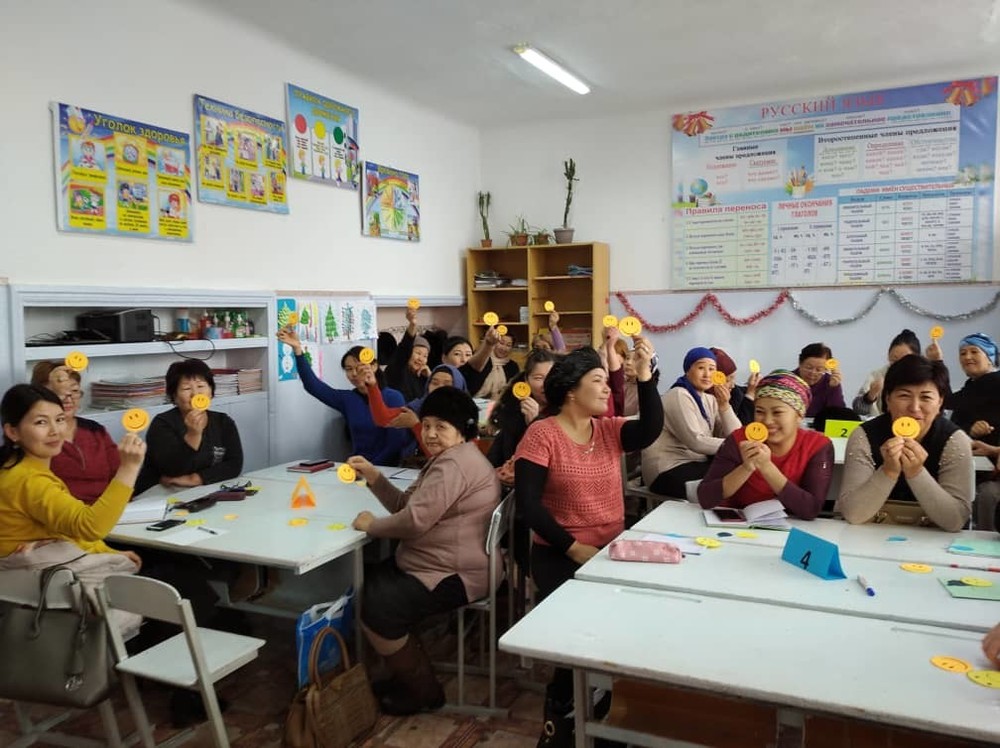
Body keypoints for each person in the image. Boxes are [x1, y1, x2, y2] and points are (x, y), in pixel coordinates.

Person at [514, 342, 662, 747]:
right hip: (558, 553)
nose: (607, 388)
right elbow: (529, 506)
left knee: (630, 630)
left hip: (608, 552)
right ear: (570, 391)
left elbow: (650, 429)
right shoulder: (542, 434)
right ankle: (562, 717)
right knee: (582, 638)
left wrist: (645, 377)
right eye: (597, 380)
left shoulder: (608, 430)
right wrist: (573, 547)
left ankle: (608, 716)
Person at [347, 387, 500, 715]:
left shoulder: (453, 466)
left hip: (455, 574)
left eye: (441, 427)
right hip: (451, 564)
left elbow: (414, 521)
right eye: (427, 425)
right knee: (373, 579)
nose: (430, 434)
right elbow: (408, 506)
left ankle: (423, 692)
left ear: (463, 430)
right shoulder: (454, 458)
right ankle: (402, 670)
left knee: (377, 607)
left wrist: (372, 526)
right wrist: (374, 477)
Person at [0, 384, 144, 561]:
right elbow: (90, 527)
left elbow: (69, 533)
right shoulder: (28, 479)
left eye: (60, 419)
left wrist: (110, 553)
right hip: (32, 574)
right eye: (41, 422)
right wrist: (129, 468)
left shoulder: (19, 467)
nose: (55, 431)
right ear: (12, 432)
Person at [837, 355, 973, 531]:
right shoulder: (864, 436)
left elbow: (955, 521)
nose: (914, 408)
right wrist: (888, 471)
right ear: (888, 399)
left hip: (934, 537)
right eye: (904, 395)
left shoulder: (954, 440)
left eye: (926, 397)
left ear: (940, 402)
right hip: (871, 532)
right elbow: (853, 514)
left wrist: (916, 472)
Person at [698, 371, 833, 519]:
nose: (767, 421)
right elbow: (705, 497)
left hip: (791, 527)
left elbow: (811, 509)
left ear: (799, 415)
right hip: (736, 525)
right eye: (760, 412)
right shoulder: (740, 439)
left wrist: (766, 467)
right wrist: (746, 467)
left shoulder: (817, 445)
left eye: (777, 412)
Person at [277, 328, 411, 466]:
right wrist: (298, 350)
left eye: (359, 367)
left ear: (374, 366)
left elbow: (395, 445)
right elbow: (313, 386)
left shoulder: (393, 398)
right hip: (357, 467)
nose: (354, 374)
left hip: (386, 470)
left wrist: (370, 469)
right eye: (348, 369)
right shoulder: (348, 399)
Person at [642, 347, 741, 498]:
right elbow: (696, 442)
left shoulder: (710, 399)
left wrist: (725, 406)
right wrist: (737, 445)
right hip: (667, 469)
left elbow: (735, 434)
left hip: (694, 463)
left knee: (739, 471)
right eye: (701, 368)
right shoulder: (678, 395)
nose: (707, 374)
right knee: (733, 477)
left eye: (712, 369)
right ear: (688, 370)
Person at [135, 360, 243, 494]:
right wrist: (193, 435)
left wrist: (196, 478)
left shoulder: (223, 422)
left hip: (203, 488)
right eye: (186, 389)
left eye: (201, 386)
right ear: (174, 396)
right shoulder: (162, 423)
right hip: (160, 492)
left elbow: (234, 464)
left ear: (211, 391)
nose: (195, 394)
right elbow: (171, 470)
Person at [30, 361, 119, 504]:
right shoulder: (34, 436)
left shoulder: (95, 430)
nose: (68, 398)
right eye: (58, 392)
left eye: (75, 391)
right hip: (60, 511)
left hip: (106, 508)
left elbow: (119, 476)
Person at [487, 349, 558, 480]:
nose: (545, 384)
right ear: (526, 380)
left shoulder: (566, 411)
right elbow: (496, 458)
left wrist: (535, 423)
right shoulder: (512, 410)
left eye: (551, 377)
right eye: (538, 378)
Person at [367, 363, 466, 456]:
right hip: (415, 465)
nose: (439, 388)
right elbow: (383, 419)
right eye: (435, 383)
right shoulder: (418, 407)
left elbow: (439, 456)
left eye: (447, 384)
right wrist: (372, 386)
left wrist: (415, 425)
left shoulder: (465, 417)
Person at [852, 329, 921, 417]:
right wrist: (870, 395)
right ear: (889, 355)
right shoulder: (877, 376)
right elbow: (858, 409)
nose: (898, 365)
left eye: (904, 361)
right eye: (894, 360)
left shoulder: (923, 378)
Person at [385, 305, 431, 401]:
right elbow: (404, 348)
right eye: (418, 353)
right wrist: (413, 324)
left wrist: (430, 378)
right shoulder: (396, 369)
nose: (421, 359)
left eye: (425, 356)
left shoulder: (424, 377)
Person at [793, 343, 845, 418]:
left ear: (826, 368)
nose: (813, 373)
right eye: (809, 368)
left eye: (819, 369)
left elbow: (838, 416)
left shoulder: (830, 382)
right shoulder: (785, 380)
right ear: (800, 363)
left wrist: (833, 388)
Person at [710, 346, 758, 425]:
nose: (732, 385)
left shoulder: (737, 393)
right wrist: (750, 395)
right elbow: (740, 430)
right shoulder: (704, 403)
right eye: (727, 380)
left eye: (733, 378)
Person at [475, 331, 520, 400]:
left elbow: (514, 389)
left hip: (501, 402)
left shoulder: (513, 366)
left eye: (508, 345)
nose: (503, 348)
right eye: (501, 343)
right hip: (477, 400)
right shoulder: (482, 360)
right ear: (494, 343)